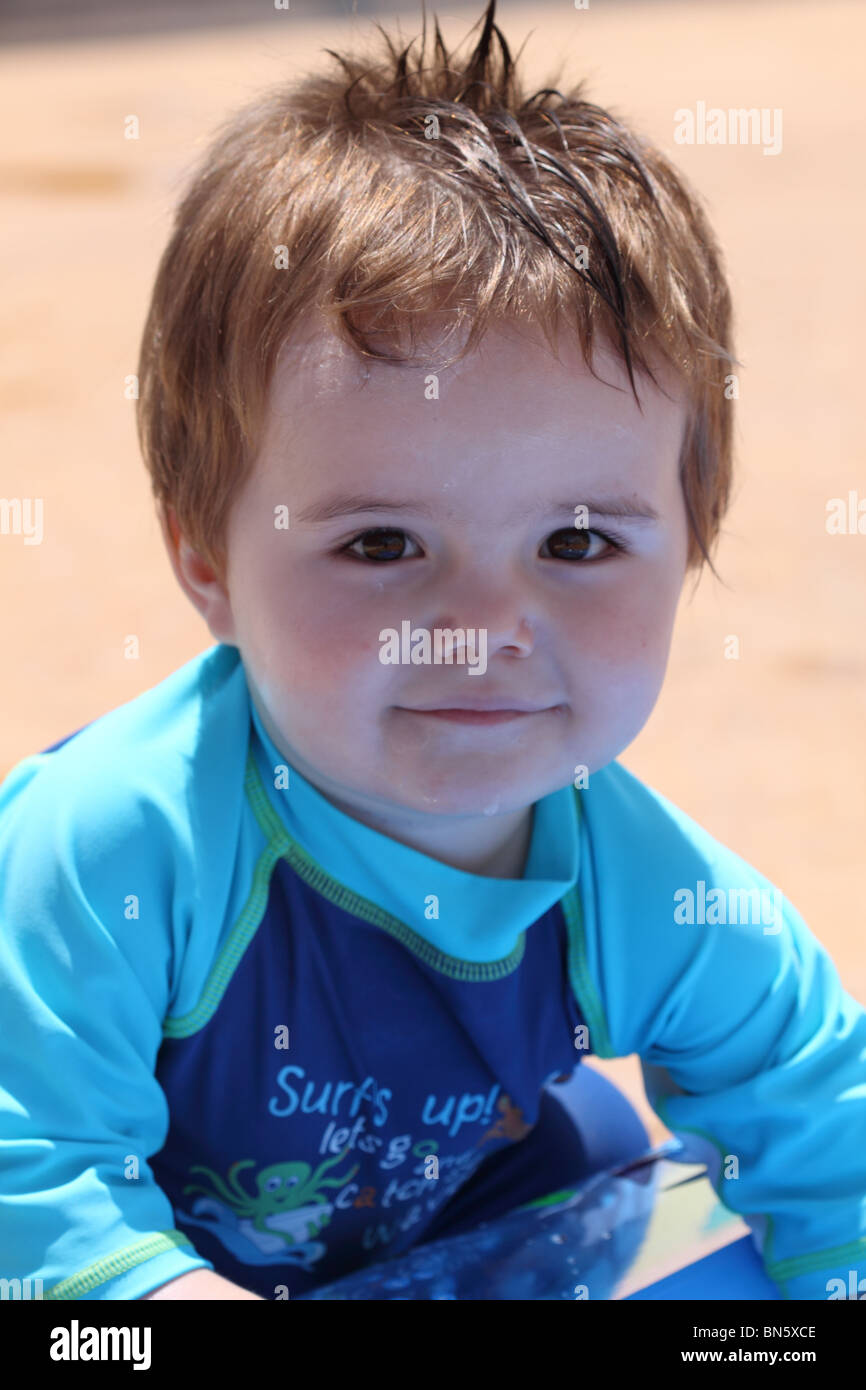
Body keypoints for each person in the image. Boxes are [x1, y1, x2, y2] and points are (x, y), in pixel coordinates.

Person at [1, 1, 863, 1302]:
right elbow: (32, 1187)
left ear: (688, 545)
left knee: (644, 1182)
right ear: (206, 560)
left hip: (451, 1223)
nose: (481, 627)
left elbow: (827, 1132)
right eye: (381, 544)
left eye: (576, 542)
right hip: (147, 1257)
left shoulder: (653, 891)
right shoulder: (112, 849)